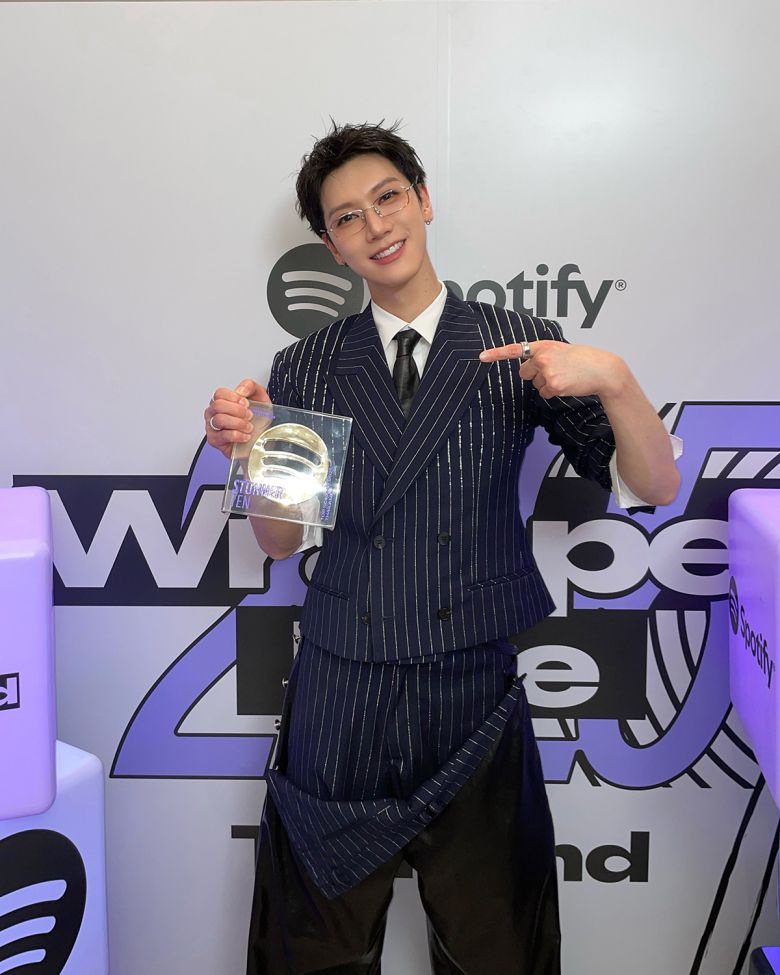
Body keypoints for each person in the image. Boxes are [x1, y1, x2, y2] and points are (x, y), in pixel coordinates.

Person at [204, 121, 681, 975]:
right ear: (331, 246)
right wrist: (250, 449)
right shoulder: (306, 364)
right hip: (339, 693)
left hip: (473, 693)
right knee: (311, 949)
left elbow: (655, 485)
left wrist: (615, 379)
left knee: (498, 950)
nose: (376, 224)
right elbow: (279, 540)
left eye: (388, 197)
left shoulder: (518, 343)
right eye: (348, 217)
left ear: (423, 200)